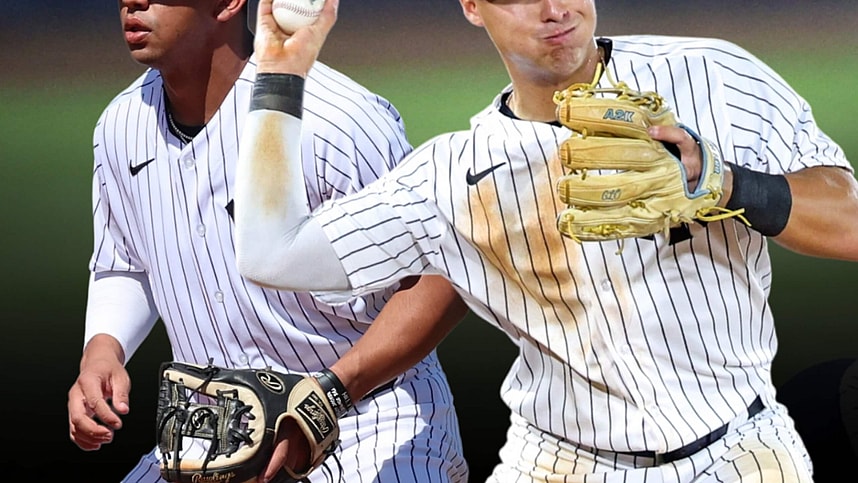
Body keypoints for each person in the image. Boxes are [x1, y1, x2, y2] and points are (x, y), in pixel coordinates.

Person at [233, 0, 858, 481]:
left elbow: (850, 223)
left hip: (740, 452)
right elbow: (273, 252)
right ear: (472, 6)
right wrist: (281, 73)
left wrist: (723, 182)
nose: (554, 9)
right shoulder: (450, 175)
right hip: (558, 462)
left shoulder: (713, 76)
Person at [66, 0, 471, 482]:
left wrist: (329, 396)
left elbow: (443, 275)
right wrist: (103, 351)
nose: (133, 2)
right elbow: (125, 262)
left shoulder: (335, 119)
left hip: (368, 423)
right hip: (213, 438)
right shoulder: (121, 126)